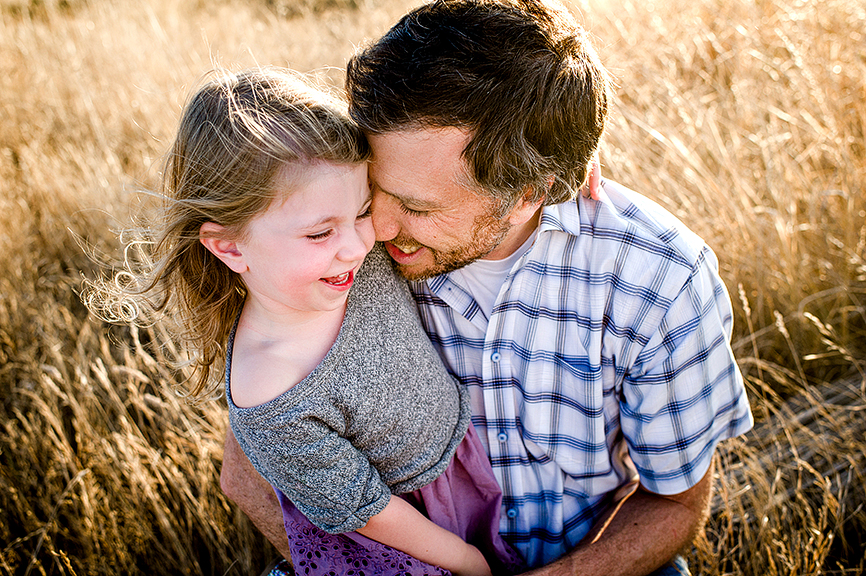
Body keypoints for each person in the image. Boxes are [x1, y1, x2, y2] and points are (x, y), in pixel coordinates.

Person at [220, 0, 754, 575]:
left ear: (529, 190)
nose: (376, 228)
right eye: (376, 190)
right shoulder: (338, 244)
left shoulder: (658, 280)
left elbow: (674, 501)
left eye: (418, 207)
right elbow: (244, 472)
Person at [95, 67, 527, 575]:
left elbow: (431, 156)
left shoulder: (353, 259)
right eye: (320, 233)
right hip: (410, 532)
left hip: (464, 471)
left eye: (362, 211)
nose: (359, 243)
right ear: (229, 245)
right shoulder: (270, 389)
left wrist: (537, 171)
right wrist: (464, 558)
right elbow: (364, 508)